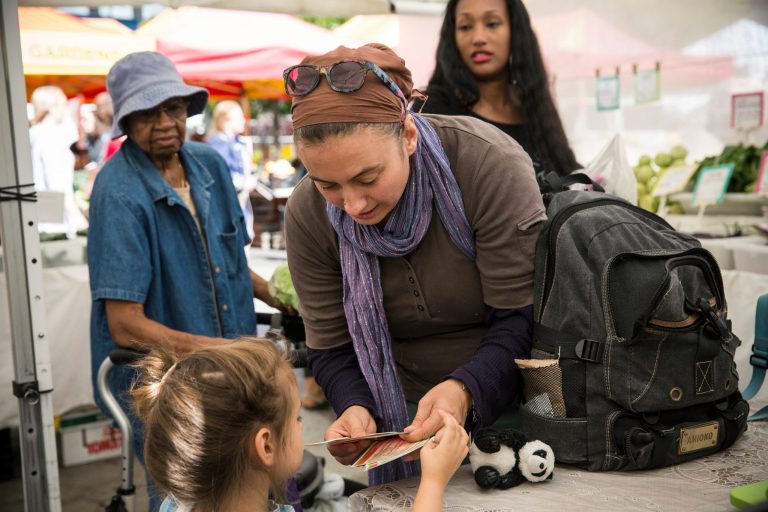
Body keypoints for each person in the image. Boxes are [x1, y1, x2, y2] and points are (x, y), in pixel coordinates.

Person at [283, 43, 545, 485]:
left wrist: (465, 391)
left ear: (408, 135)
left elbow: (521, 320)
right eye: (328, 184)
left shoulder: (487, 166)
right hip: (395, 415)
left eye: (368, 178)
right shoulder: (307, 214)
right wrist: (354, 406)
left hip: (513, 403)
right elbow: (329, 347)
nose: (353, 205)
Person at [87, 51, 280, 510]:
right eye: (146, 114)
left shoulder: (208, 165)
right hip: (163, 384)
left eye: (172, 108)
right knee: (187, 498)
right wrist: (223, 350)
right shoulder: (118, 193)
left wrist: (282, 297)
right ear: (126, 122)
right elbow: (125, 325)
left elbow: (229, 262)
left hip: (227, 367)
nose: (164, 123)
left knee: (248, 488)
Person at [132, 338, 469, 512]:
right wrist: (434, 481)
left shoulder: (177, 503)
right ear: (265, 446)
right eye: (296, 418)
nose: (301, 425)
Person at [421, 0, 580, 177]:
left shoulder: (535, 107)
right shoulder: (435, 113)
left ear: (515, 31)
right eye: (465, 27)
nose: (478, 38)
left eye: (492, 24)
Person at [28, 85, 86, 238]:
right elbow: (57, 183)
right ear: (51, 107)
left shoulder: (34, 133)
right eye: (63, 104)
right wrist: (77, 219)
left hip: (41, 217)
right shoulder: (49, 135)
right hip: (55, 223)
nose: (65, 109)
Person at [208, 100, 256, 239]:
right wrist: (244, 182)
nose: (243, 121)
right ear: (225, 120)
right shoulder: (220, 142)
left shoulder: (231, 141)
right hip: (228, 207)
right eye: (240, 117)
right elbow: (222, 175)